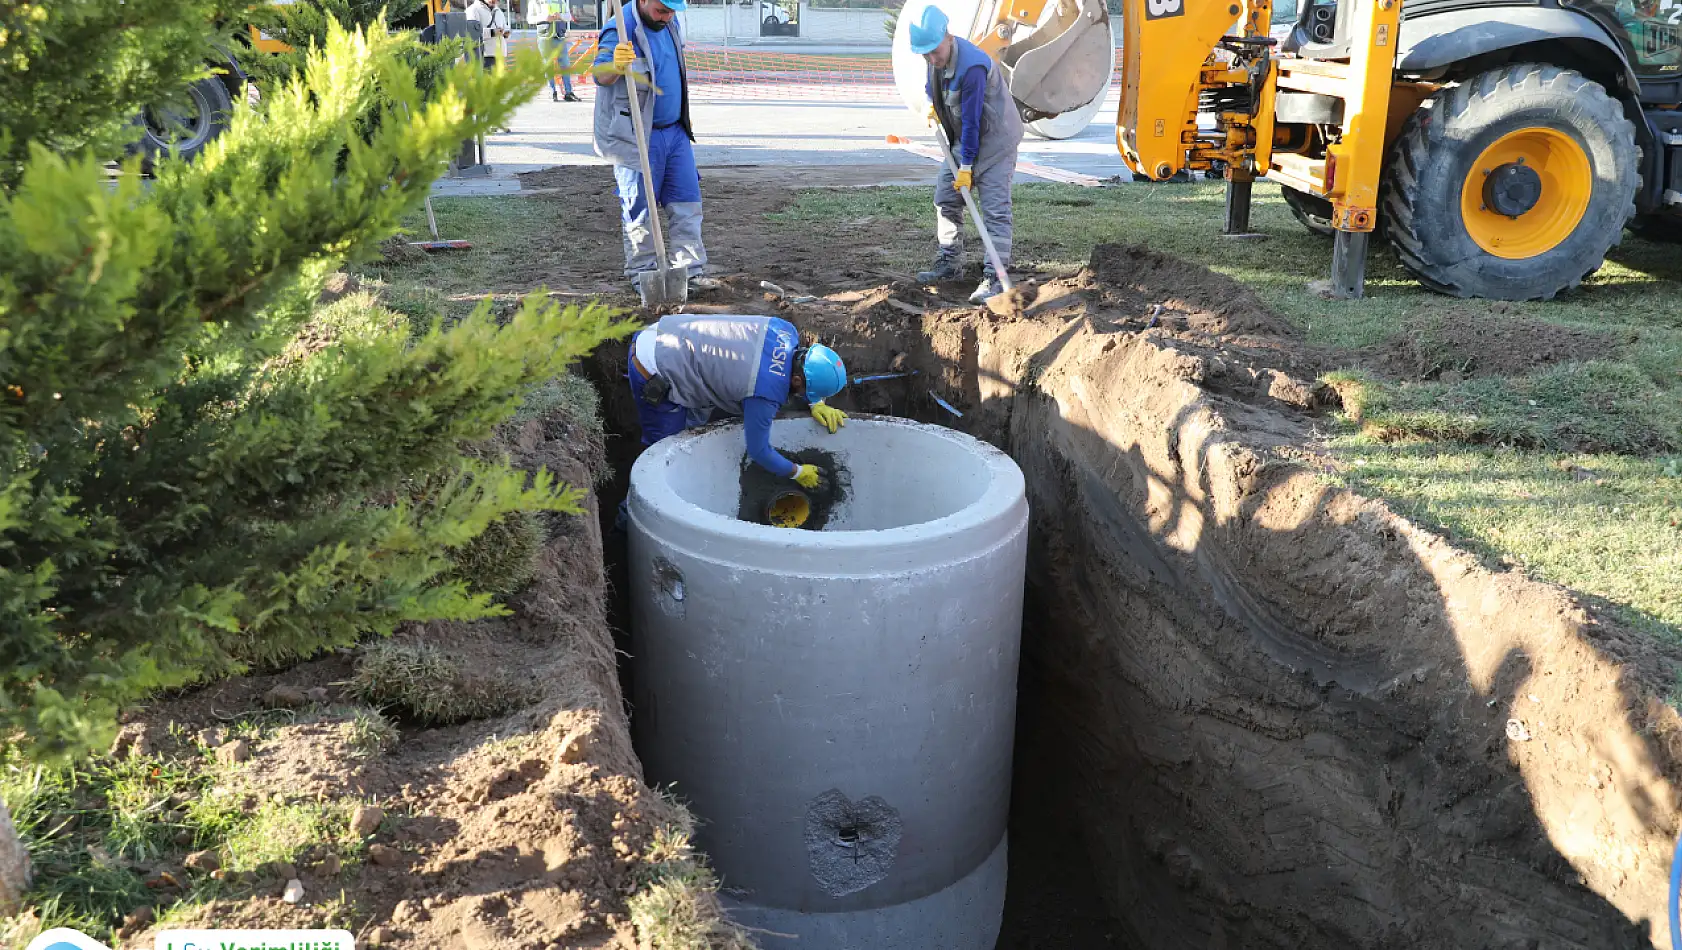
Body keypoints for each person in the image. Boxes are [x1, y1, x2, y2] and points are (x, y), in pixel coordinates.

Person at [628, 315, 848, 489]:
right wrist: (798, 473)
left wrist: (816, 403)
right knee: (661, 461)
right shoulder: (763, 394)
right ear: (797, 380)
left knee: (693, 428)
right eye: (805, 392)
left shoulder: (784, 330)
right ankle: (625, 524)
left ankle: (692, 476)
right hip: (654, 365)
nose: (803, 396)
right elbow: (759, 451)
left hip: (668, 332)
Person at [593, 0, 717, 293]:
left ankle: (690, 271)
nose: (668, 16)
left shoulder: (669, 23)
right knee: (640, 209)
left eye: (672, 10)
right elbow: (600, 75)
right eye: (662, 9)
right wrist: (616, 64)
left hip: (675, 132)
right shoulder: (621, 29)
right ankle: (643, 274)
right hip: (637, 136)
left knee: (687, 202)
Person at [908, 4, 1024, 304]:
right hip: (966, 140)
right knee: (945, 197)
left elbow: (972, 121)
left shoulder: (972, 66)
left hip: (996, 141)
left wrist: (967, 166)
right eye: (926, 54)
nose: (932, 58)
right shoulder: (933, 57)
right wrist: (929, 104)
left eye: (935, 51)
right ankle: (949, 263)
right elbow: (932, 86)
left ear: (948, 36)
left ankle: (996, 278)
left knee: (995, 209)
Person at [530, 0, 582, 101]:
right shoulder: (535, 2)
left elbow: (568, 17)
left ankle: (568, 92)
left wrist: (560, 16)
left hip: (559, 37)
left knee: (565, 65)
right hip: (544, 37)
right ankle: (551, 92)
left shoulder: (560, 2)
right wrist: (544, 18)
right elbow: (530, 19)